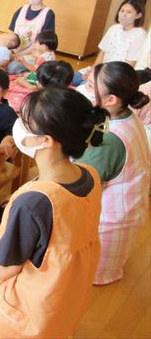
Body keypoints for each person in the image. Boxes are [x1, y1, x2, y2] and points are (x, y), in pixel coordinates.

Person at [0, 87, 108, 338]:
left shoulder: (33, 202)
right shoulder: (90, 175)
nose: (18, 126)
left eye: (25, 122)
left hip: (26, 312)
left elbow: (4, 270)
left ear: (46, 141)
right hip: (64, 294)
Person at [76, 62, 150, 285]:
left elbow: (79, 184)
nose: (84, 88)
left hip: (107, 227)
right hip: (129, 214)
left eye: (90, 86)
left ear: (110, 100)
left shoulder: (110, 140)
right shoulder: (128, 116)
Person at [74, 0, 147, 86]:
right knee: (72, 78)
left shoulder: (140, 35)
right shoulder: (114, 28)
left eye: (129, 12)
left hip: (115, 76)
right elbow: (102, 52)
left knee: (84, 86)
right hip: (101, 69)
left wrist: (99, 76)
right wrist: (93, 70)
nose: (124, 14)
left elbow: (130, 64)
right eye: (122, 11)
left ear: (138, 15)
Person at [7, 0, 55, 74]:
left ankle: (29, 72)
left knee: (12, 68)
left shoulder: (48, 14)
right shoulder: (22, 9)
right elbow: (12, 33)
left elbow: (43, 43)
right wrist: (11, 50)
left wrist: (19, 54)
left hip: (34, 53)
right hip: (16, 48)